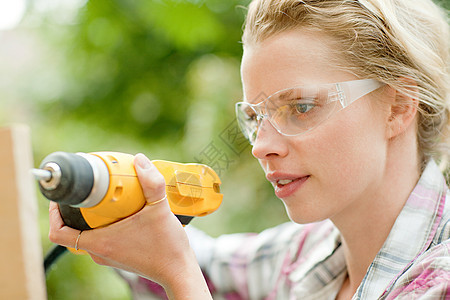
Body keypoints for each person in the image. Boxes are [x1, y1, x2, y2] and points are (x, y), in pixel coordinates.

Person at [48, 0, 450, 299]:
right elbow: (207, 262)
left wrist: (178, 274)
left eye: (301, 107)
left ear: (398, 107)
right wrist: (112, 202)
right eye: (256, 117)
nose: (261, 147)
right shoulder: (304, 255)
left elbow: (185, 268)